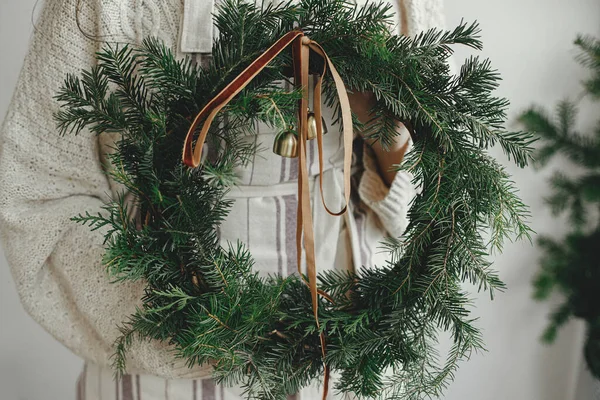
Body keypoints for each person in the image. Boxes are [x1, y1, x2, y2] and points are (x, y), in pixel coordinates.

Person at [0, 0, 446, 399]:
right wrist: (192, 326)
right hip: (162, 373)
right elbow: (39, 188)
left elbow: (438, 172)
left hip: (349, 356)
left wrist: (385, 135)